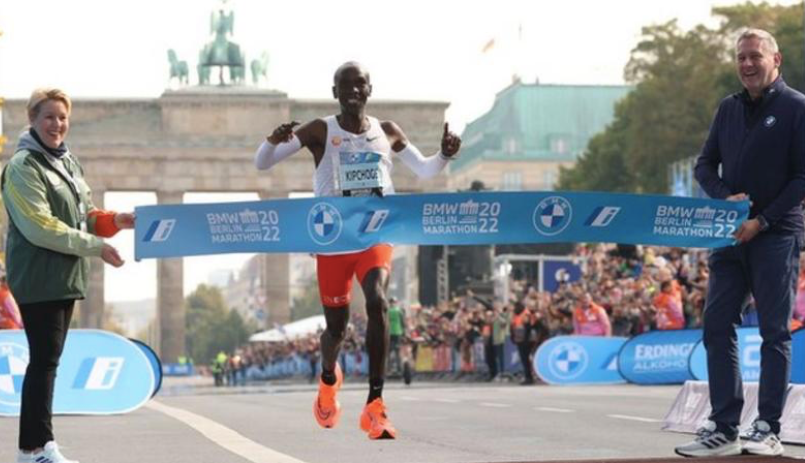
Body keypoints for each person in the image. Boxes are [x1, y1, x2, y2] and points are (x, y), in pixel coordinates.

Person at [254, 61, 461, 439]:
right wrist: (271, 141)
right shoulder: (320, 129)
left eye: (359, 84)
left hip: (375, 234)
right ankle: (328, 377)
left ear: (369, 89)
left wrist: (444, 155)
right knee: (337, 328)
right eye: (344, 85)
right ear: (335, 93)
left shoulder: (387, 131)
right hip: (332, 239)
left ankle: (375, 405)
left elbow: (426, 171)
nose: (353, 90)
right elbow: (263, 164)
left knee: (379, 300)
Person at [674, 29, 805, 458]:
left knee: (773, 331)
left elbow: (802, 178)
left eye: (755, 57)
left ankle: (767, 426)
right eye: (740, 58)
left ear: (776, 60)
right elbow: (704, 164)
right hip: (728, 234)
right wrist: (723, 200)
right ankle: (724, 425)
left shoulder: (796, 107)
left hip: (776, 233)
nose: (747, 64)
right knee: (716, 325)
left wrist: (762, 220)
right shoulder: (728, 108)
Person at [2, 88, 135, 463]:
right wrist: (96, 246)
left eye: (62, 117)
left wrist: (113, 222)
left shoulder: (68, 163)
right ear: (32, 120)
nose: (56, 124)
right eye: (48, 116)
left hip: (64, 275)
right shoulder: (23, 167)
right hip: (38, 276)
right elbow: (40, 226)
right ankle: (35, 448)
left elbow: (84, 213)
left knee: (48, 359)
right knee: (44, 359)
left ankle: (35, 447)